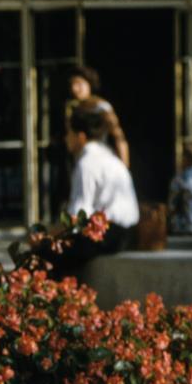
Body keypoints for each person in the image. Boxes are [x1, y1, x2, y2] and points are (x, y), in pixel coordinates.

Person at [43, 101, 140, 279]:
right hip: (127, 231)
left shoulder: (86, 163)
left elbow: (78, 216)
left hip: (109, 234)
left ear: (80, 136)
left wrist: (46, 234)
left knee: (44, 253)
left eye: (68, 134)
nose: (65, 139)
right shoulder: (107, 154)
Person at [69, 65, 130, 167]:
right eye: (72, 84)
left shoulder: (101, 107)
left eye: (79, 83)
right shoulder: (74, 109)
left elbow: (119, 138)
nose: (75, 88)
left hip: (101, 160)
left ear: (89, 84)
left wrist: (124, 168)